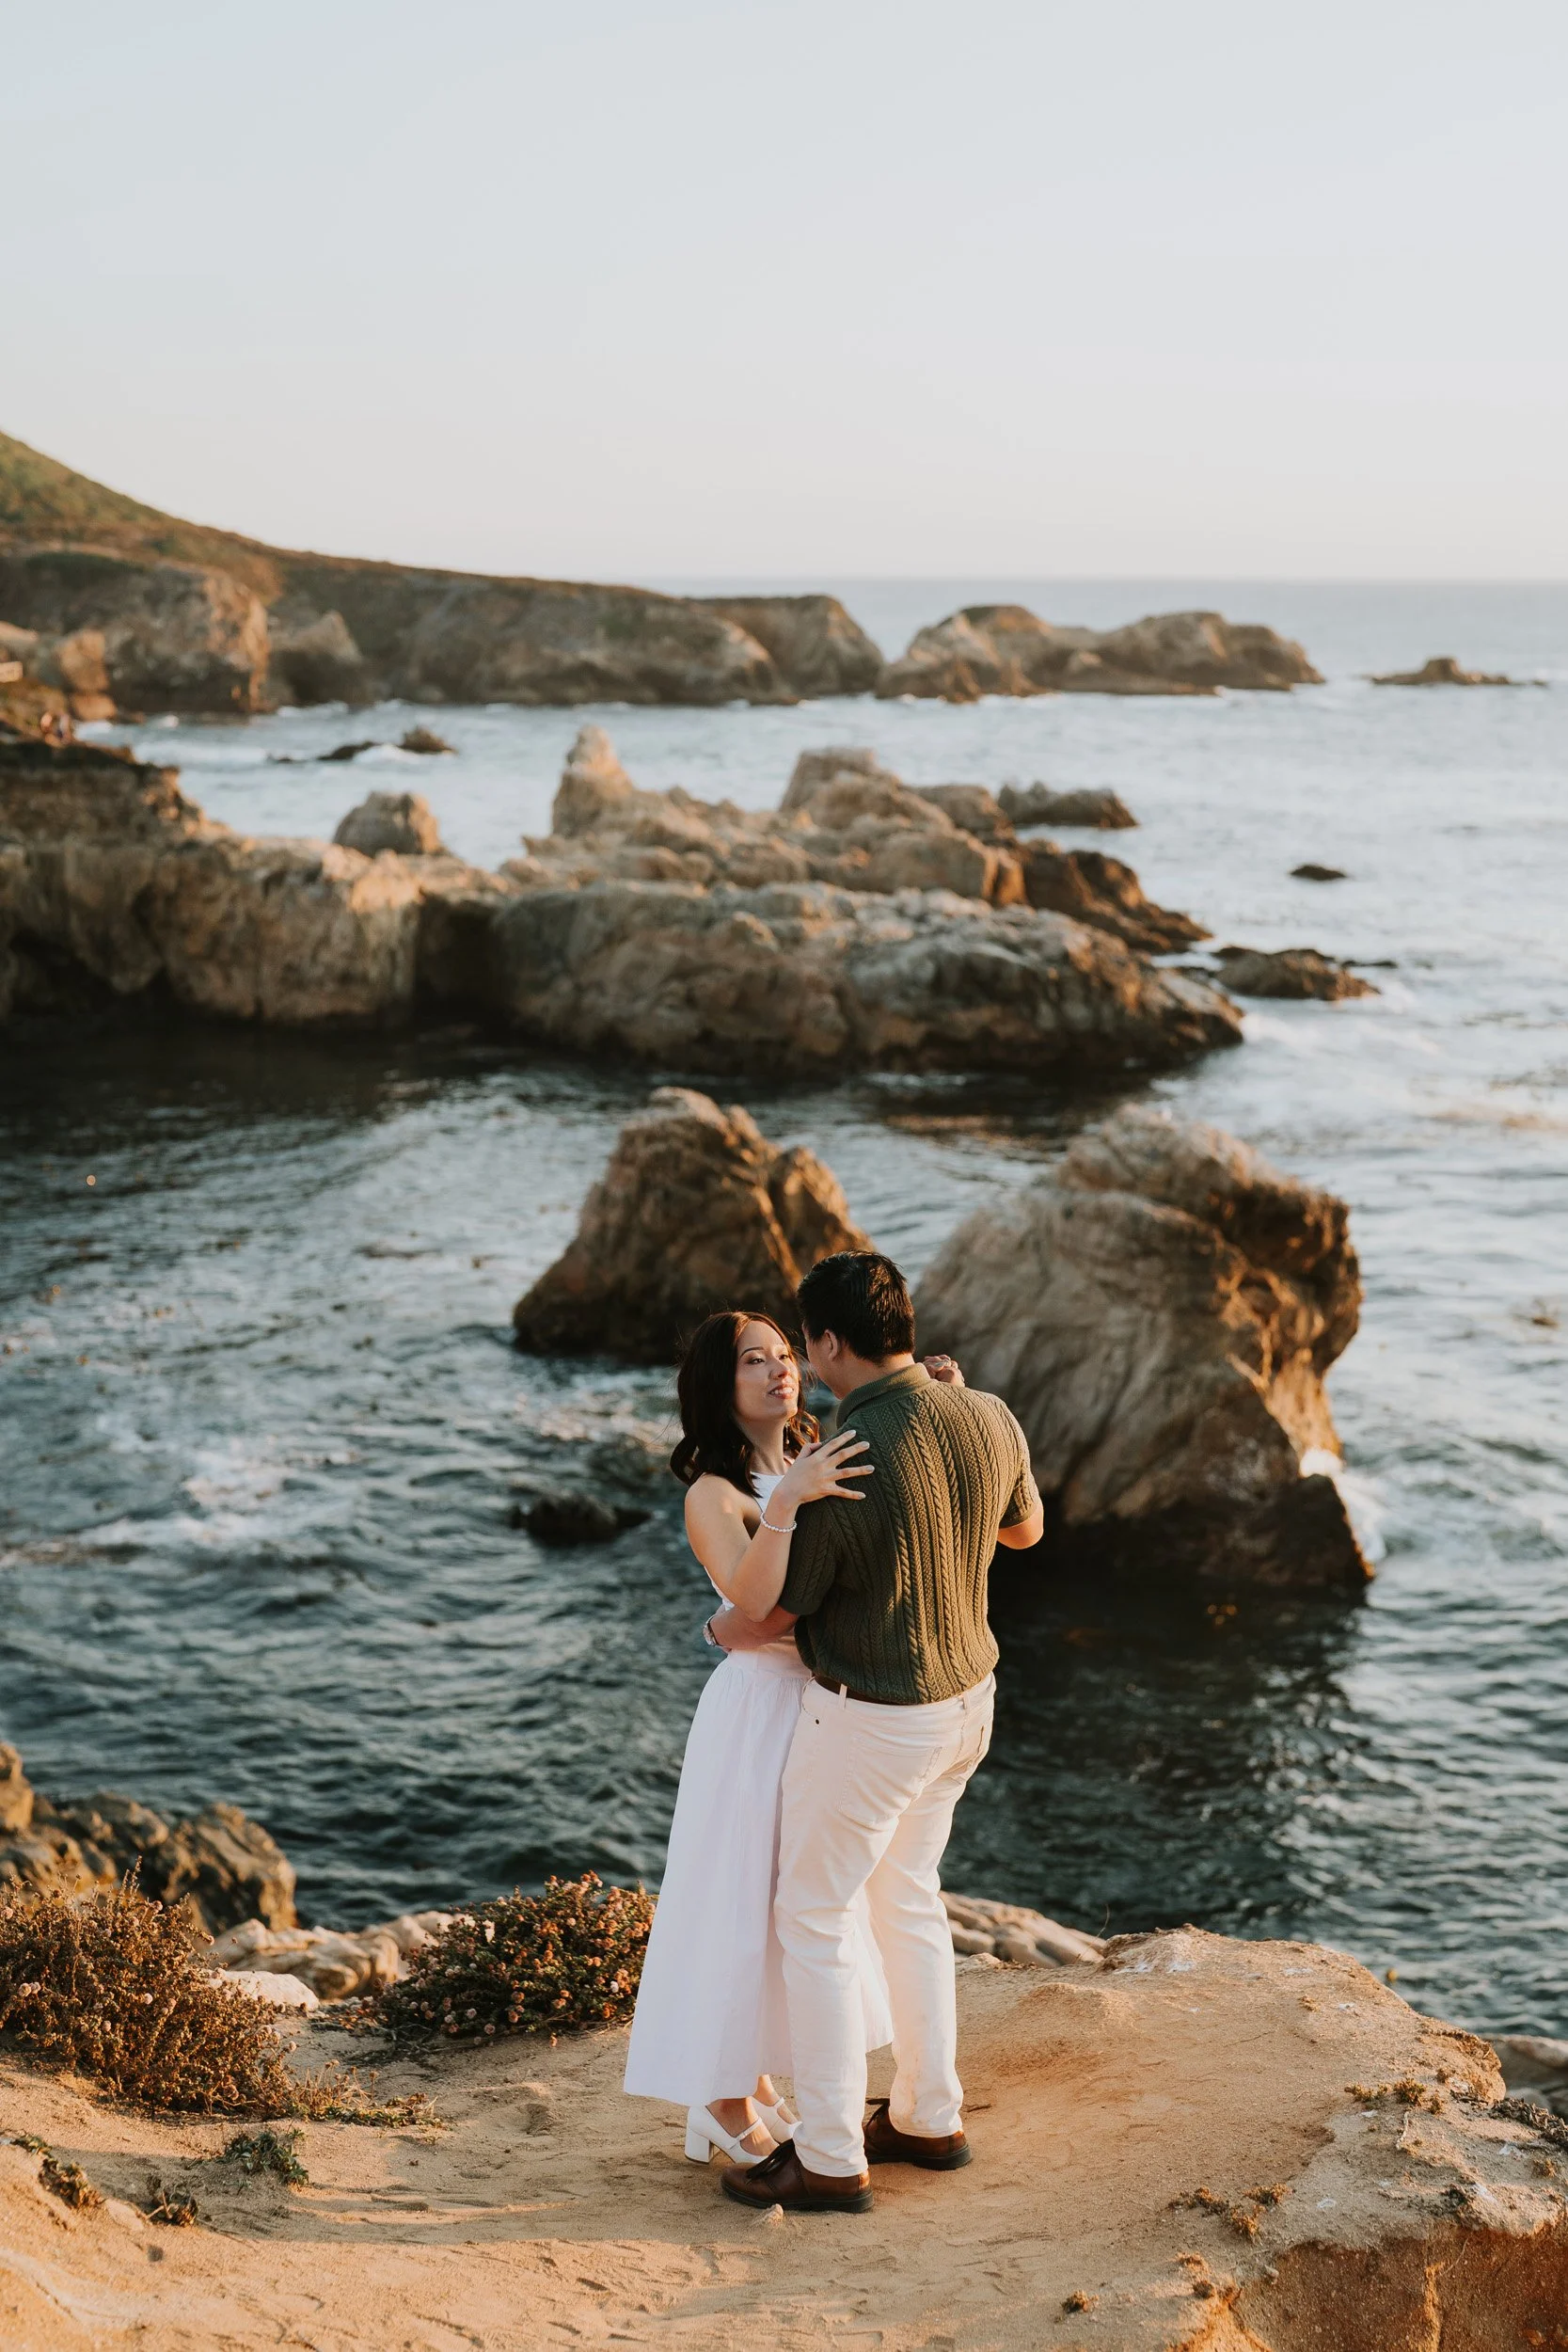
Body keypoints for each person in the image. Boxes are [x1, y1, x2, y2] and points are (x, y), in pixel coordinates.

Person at [715, 1251, 1044, 2215]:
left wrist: (777, 1514)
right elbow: (1023, 1534)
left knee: (813, 1918)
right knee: (907, 1895)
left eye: (801, 1343)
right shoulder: (983, 1411)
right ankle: (926, 2114)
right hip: (968, 1701)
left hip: (876, 1715)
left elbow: (774, 1614)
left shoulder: (848, 1454)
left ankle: (825, 2155)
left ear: (824, 1342)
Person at [622, 1308, 891, 2166]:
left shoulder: (805, 1459)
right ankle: (718, 2099)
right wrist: (784, 1504)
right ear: (719, 1384)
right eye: (753, 1361)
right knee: (738, 1902)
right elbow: (749, 1607)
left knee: (795, 1909)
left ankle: (761, 2076)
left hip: (816, 1704)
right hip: (754, 1713)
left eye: (784, 1355)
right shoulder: (715, 1493)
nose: (780, 1371)